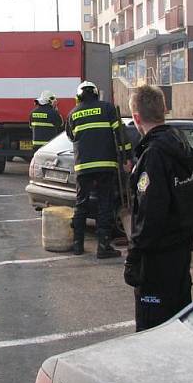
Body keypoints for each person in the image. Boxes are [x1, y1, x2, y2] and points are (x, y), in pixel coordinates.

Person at [123, 84, 193, 332]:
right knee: (176, 325)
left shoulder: (154, 155)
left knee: (151, 332)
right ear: (163, 111)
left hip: (157, 263)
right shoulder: (180, 145)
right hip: (181, 255)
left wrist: (133, 258)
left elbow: (150, 215)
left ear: (136, 118)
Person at [66, 81, 123, 259]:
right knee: (104, 204)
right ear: (96, 94)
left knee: (81, 204)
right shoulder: (107, 108)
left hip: (83, 166)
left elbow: (71, 136)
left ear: (79, 97)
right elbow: (120, 134)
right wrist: (126, 156)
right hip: (106, 165)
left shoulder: (73, 113)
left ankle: (77, 245)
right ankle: (103, 247)